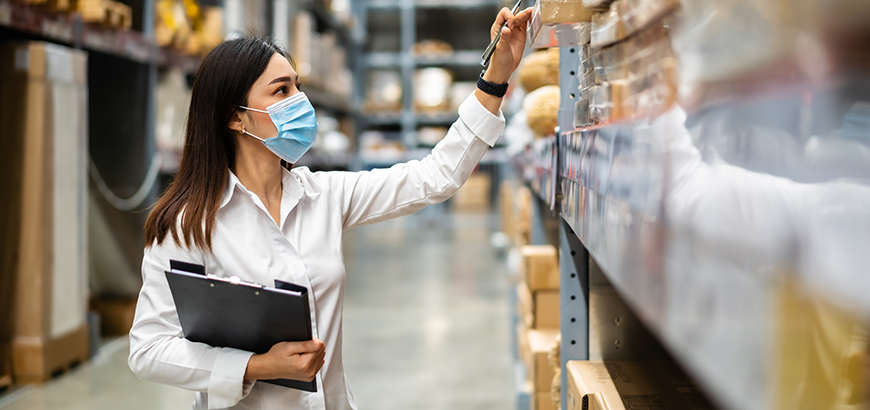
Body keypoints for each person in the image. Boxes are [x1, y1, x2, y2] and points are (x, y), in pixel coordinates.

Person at [128, 7, 533, 410]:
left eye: (298, 87)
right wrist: (254, 366)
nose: (301, 101)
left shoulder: (323, 195)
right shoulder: (187, 224)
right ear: (236, 117)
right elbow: (149, 349)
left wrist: (494, 78)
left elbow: (436, 176)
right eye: (281, 91)